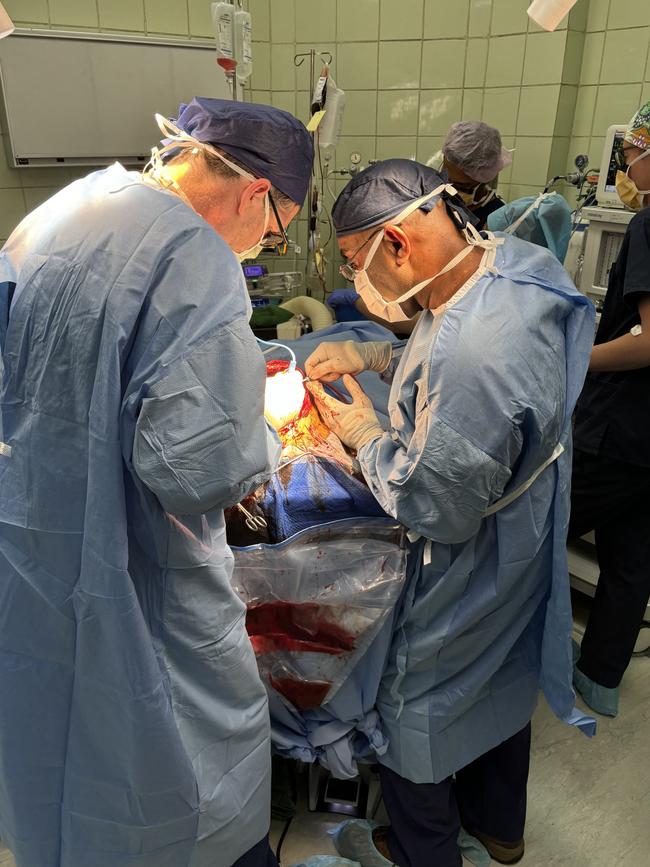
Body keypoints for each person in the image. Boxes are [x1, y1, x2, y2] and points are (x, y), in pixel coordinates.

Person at [0, 97, 312, 867]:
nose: (261, 245)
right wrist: (261, 428)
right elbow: (197, 469)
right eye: (274, 229)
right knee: (178, 774)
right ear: (254, 193)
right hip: (135, 578)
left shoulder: (64, 209)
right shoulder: (196, 261)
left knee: (49, 744)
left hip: (30, 547)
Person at [304, 159, 595, 867]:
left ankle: (422, 847)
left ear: (399, 244)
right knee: (498, 674)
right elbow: (449, 337)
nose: (357, 283)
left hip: (470, 552)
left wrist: (364, 435)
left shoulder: (474, 354)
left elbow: (434, 500)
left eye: (355, 264)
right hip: (520, 539)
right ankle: (499, 827)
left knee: (415, 703)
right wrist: (378, 354)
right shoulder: (506, 262)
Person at [569, 101, 650, 718]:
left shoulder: (649, 225)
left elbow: (647, 341)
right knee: (631, 561)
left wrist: (577, 361)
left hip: (619, 428)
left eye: (632, 149)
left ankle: (511, 660)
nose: (625, 161)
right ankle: (599, 682)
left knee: (533, 539)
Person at [441, 120, 511, 229]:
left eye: (460, 187)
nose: (449, 188)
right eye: (445, 179)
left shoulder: (497, 219)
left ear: (485, 179)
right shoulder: (435, 203)